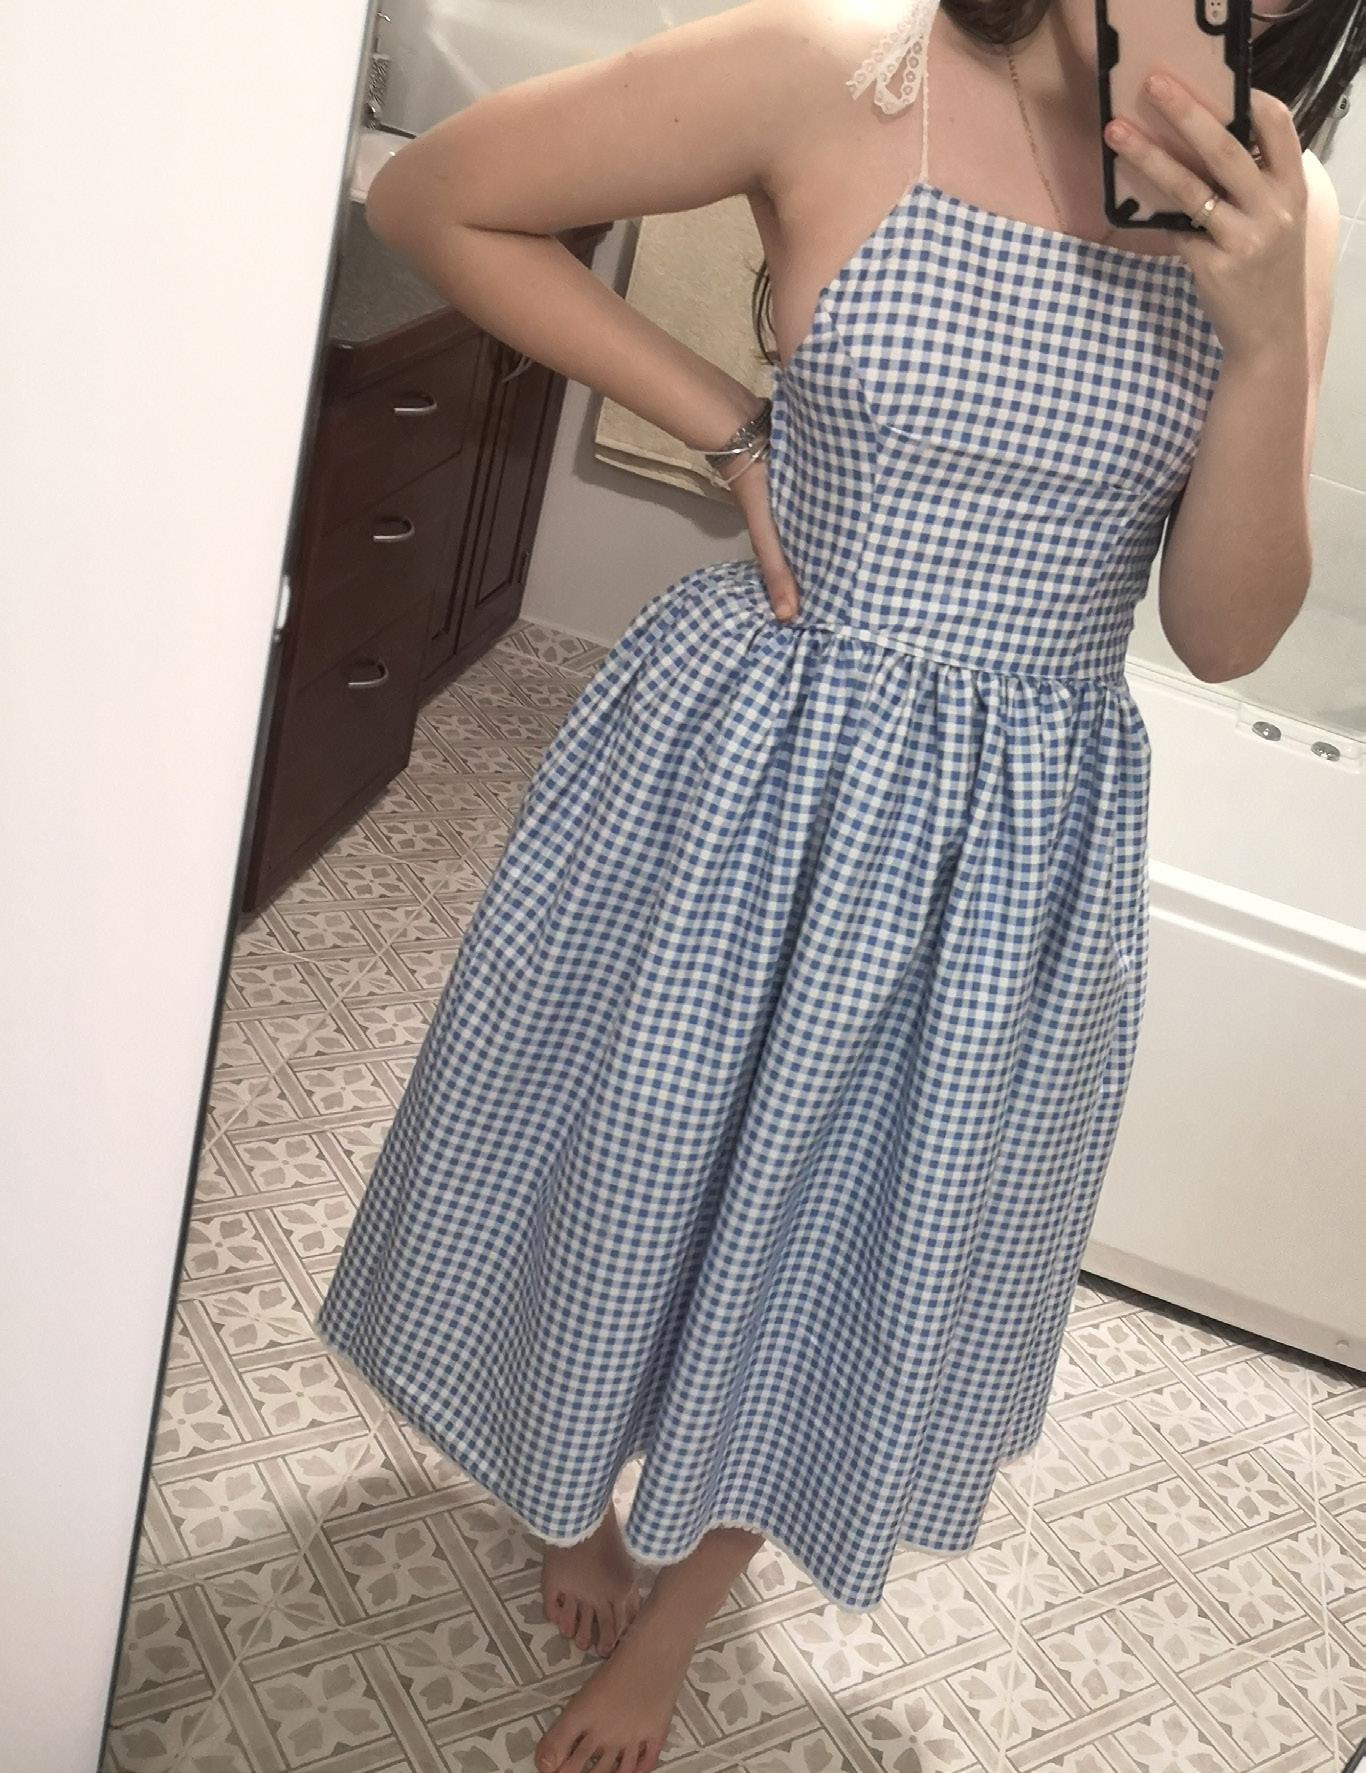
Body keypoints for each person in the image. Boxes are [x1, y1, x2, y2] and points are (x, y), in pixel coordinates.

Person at [314, 1, 1350, 1767]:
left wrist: (1261, 342)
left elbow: (1226, 633)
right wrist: (728, 422)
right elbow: (435, 199)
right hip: (743, 774)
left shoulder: (1280, 213)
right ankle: (577, 1492)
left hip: (1001, 853)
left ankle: (680, 1612)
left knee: (865, 1236)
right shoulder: (831, 75)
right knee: (632, 1159)